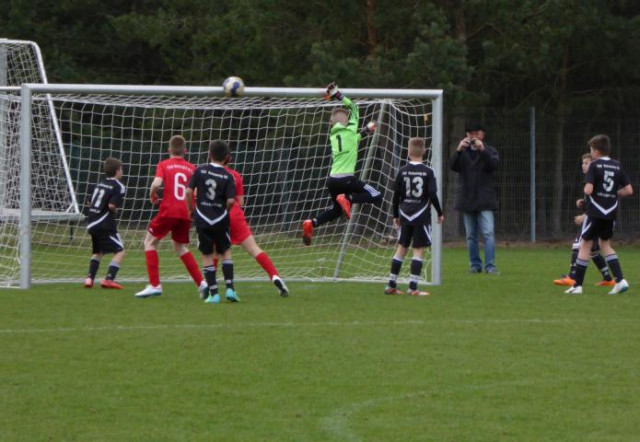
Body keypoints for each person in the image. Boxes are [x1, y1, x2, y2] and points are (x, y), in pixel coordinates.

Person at [302, 82, 382, 245]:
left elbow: (354, 139)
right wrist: (338, 96)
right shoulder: (350, 128)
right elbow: (354, 107)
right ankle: (348, 198)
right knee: (376, 195)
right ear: (347, 122)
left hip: (332, 180)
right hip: (347, 179)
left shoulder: (334, 135)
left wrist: (365, 131)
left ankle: (312, 223)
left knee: (336, 211)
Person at [135, 135, 207, 299]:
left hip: (169, 210)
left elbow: (157, 183)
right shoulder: (192, 168)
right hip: (185, 212)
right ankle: (202, 284)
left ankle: (155, 285)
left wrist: (152, 193)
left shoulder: (164, 164)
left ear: (169, 150)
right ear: (185, 151)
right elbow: (195, 192)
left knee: (149, 242)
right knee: (180, 247)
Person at [565, 134, 632, 295]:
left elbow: (588, 190)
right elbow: (629, 190)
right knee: (605, 245)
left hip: (595, 212)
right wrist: (613, 194)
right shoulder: (617, 165)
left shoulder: (594, 165)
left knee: (585, 244)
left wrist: (588, 197)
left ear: (595, 151)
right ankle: (620, 280)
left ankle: (577, 285)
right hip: (610, 212)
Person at [220, 155, 289, 296]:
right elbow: (241, 201)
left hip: (218, 214)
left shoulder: (209, 173)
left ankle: (213, 288)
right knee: (254, 248)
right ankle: (275, 276)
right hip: (236, 215)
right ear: (230, 160)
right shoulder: (236, 176)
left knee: (216, 252)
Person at [385, 138, 444, 296]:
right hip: (421, 215)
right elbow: (432, 194)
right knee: (418, 250)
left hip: (405, 214)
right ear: (424, 151)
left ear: (409, 152)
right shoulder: (428, 171)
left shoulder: (402, 171)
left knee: (401, 249)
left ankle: (391, 284)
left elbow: (396, 195)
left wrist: (395, 215)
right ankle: (413, 287)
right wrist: (439, 212)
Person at [186, 140, 239, 304]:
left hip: (202, 217)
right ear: (227, 158)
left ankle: (214, 294)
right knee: (225, 251)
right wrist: (225, 212)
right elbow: (231, 201)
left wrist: (191, 209)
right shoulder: (228, 176)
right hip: (221, 218)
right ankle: (230, 289)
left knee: (207, 254)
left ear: (210, 154)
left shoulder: (200, 170)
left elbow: (188, 191)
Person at [553, 152, 614, 287]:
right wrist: (584, 203)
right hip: (598, 218)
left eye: (586, 163)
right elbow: (595, 202)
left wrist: (585, 216)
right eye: (583, 163)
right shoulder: (592, 179)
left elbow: (600, 204)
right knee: (592, 250)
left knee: (578, 245)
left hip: (594, 219)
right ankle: (608, 278)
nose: (583, 165)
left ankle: (572, 276)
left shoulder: (594, 179)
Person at [449, 122, 500, 274]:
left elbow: (493, 165)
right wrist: (458, 151)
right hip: (467, 198)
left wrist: (482, 149)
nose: (473, 136)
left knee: (488, 233)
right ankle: (475, 265)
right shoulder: (462, 151)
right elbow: (453, 166)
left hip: (485, 199)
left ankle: (490, 265)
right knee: (471, 235)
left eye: (476, 133)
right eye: (470, 133)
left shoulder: (490, 150)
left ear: (482, 135)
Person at [84, 157, 126, 289]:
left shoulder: (99, 183)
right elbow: (112, 205)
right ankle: (109, 278)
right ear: (118, 171)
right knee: (120, 251)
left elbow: (89, 202)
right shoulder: (119, 186)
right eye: (121, 169)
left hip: (92, 222)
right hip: (105, 223)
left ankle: (89, 278)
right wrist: (115, 210)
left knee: (99, 251)